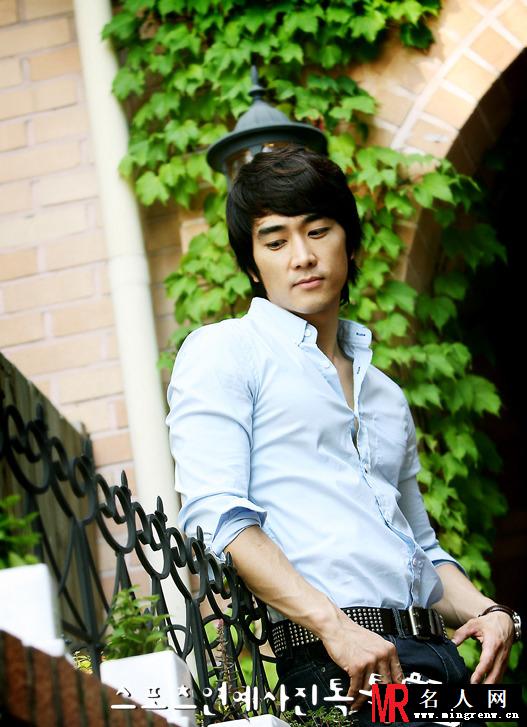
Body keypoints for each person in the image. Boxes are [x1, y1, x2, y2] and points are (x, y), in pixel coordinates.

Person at [166, 145, 519, 726]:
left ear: (349, 245)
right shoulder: (226, 351)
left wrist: (490, 610)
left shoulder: (386, 394)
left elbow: (421, 550)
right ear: (253, 265)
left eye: (318, 231)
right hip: (340, 664)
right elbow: (218, 515)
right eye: (275, 242)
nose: (302, 256)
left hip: (441, 660)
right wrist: (335, 627)